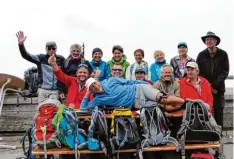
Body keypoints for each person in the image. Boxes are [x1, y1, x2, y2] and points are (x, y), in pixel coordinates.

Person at [16, 31, 65, 103]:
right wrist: (21, 44)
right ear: (46, 49)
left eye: (53, 48)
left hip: (55, 90)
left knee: (53, 109)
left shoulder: (61, 59)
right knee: (41, 109)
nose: (51, 50)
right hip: (43, 90)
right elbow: (26, 55)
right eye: (49, 48)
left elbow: (63, 76)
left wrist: (62, 91)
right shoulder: (41, 58)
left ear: (56, 49)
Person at [80, 77, 185, 110]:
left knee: (162, 99)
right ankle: (185, 107)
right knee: (165, 108)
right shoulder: (98, 99)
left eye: (95, 83)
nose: (95, 86)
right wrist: (87, 94)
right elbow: (83, 110)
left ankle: (186, 102)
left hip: (139, 89)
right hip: (136, 104)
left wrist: (146, 83)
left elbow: (130, 82)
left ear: (97, 81)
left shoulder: (111, 81)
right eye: (92, 87)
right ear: (91, 90)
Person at [196, 31, 229, 128]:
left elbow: (225, 71)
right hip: (205, 88)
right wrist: (208, 86)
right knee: (205, 110)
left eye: (211, 39)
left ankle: (219, 133)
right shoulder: (201, 55)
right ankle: (208, 132)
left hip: (219, 89)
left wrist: (214, 85)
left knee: (219, 110)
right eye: (207, 39)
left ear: (215, 41)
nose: (209, 41)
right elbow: (199, 71)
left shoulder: (223, 54)